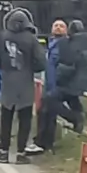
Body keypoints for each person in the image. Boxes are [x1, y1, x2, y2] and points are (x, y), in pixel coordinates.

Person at [0, 8, 47, 164]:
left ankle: (4, 152)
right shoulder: (31, 39)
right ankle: (21, 153)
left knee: (6, 118)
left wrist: (3, 66)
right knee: (25, 119)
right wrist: (32, 69)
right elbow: (41, 61)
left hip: (7, 81)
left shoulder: (2, 37)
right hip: (25, 82)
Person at [52, 20, 87, 135]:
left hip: (75, 84)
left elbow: (67, 68)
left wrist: (58, 82)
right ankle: (80, 117)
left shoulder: (69, 44)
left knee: (50, 100)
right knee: (71, 97)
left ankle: (76, 117)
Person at [27, 19, 68, 155]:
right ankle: (43, 142)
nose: (58, 28)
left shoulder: (66, 45)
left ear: (66, 30)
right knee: (44, 112)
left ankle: (44, 143)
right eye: (55, 25)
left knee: (48, 113)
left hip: (56, 86)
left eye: (61, 26)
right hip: (48, 84)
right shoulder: (52, 44)